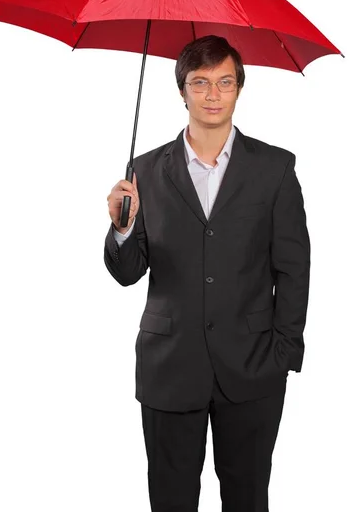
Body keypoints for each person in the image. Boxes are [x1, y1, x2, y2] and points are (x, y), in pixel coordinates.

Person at [104, 35, 311, 512]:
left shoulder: (275, 169)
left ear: (239, 88)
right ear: (182, 91)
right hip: (169, 367)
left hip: (254, 365)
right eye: (200, 83)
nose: (213, 94)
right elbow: (127, 272)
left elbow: (294, 267)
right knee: (171, 499)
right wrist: (121, 227)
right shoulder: (146, 170)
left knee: (247, 497)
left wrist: (284, 351)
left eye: (224, 82)